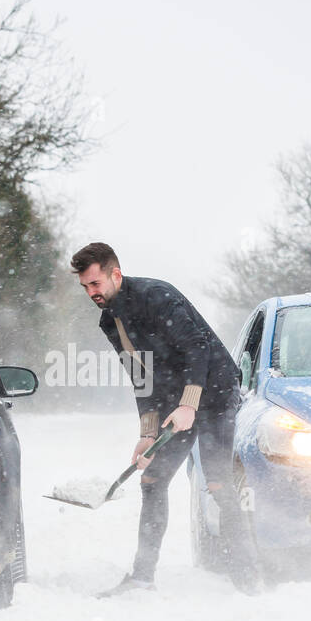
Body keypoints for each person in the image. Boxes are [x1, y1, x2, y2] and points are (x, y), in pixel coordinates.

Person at [70, 242, 262, 595]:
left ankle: (248, 581)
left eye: (95, 284)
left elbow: (197, 347)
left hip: (216, 391)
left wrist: (190, 404)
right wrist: (147, 432)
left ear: (116, 274)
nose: (91, 293)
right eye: (85, 287)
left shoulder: (155, 295)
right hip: (176, 403)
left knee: (218, 481)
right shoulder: (110, 320)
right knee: (153, 480)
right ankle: (142, 578)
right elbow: (140, 374)